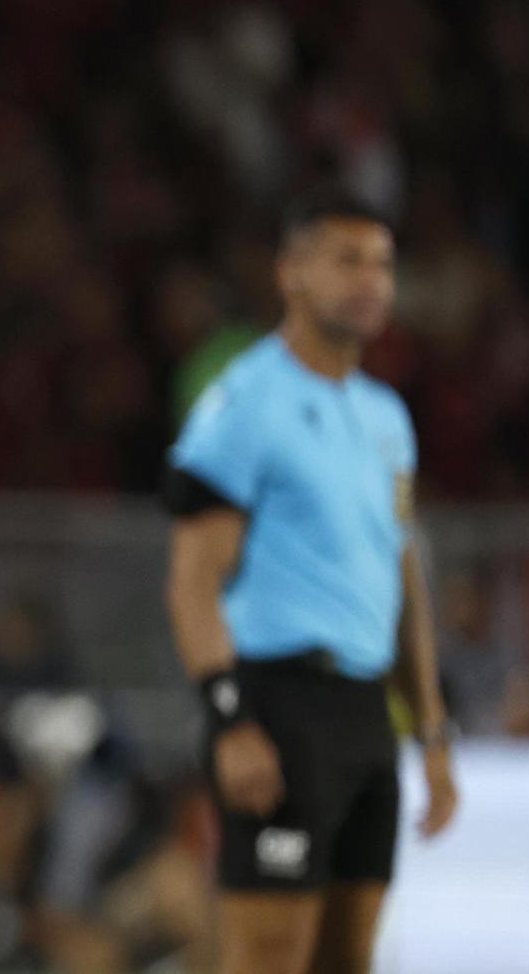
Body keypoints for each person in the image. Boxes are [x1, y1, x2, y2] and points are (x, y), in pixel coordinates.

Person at [162, 188, 460, 974]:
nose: (370, 280)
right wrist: (229, 721)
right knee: (266, 956)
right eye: (346, 259)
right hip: (278, 705)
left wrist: (429, 730)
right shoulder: (246, 400)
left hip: (366, 713)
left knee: (349, 957)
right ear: (291, 272)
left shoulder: (385, 415)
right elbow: (192, 578)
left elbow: (400, 577)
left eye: (382, 264)